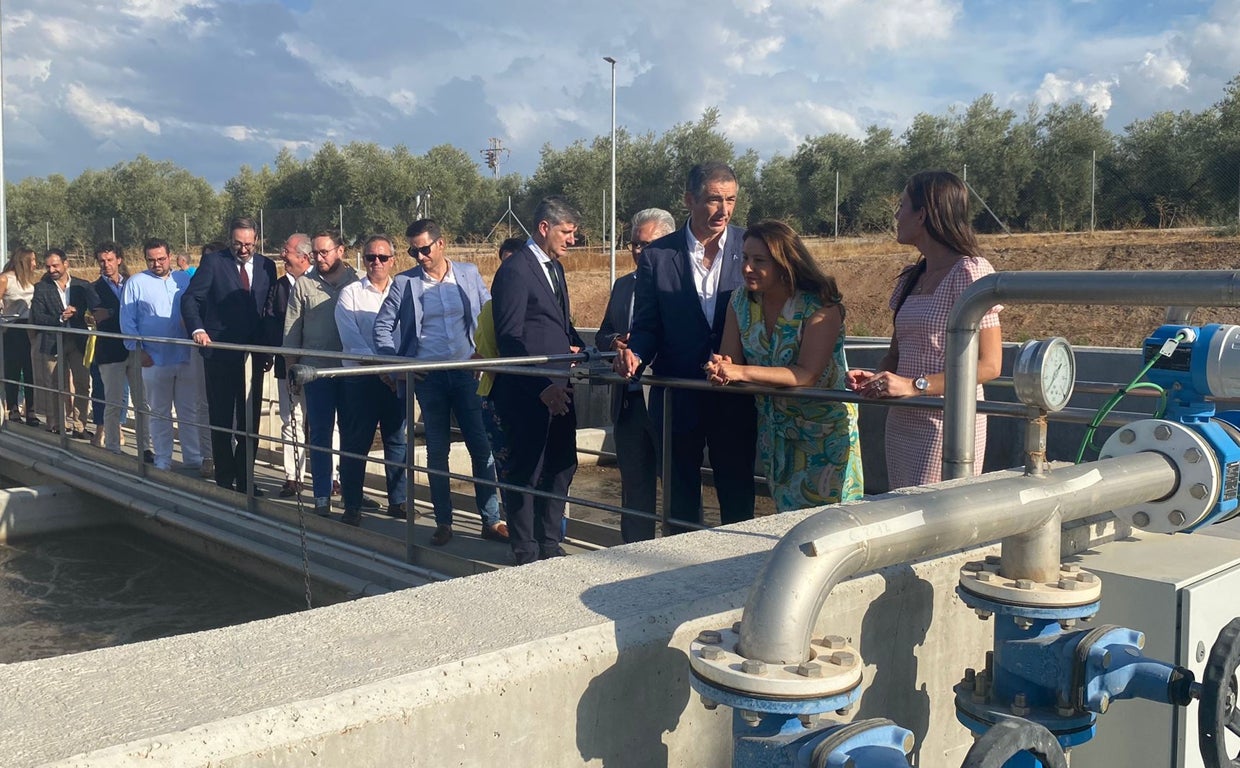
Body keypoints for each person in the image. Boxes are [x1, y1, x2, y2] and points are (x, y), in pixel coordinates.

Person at [614, 162, 758, 533]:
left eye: (731, 200)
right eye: (713, 200)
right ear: (689, 200)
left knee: (738, 492)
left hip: (735, 395)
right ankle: (681, 581)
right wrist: (635, 355)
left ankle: (740, 574)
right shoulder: (658, 256)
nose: (723, 210)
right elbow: (646, 326)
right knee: (680, 499)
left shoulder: (752, 247)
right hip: (677, 395)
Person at [846, 170, 1003, 489]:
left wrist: (914, 385)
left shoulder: (971, 272)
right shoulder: (911, 277)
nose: (896, 215)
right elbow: (896, 353)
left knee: (932, 516)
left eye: (902, 206)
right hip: (903, 419)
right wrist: (875, 379)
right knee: (903, 510)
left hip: (947, 421)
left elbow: (990, 365)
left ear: (923, 215)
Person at [705, 220, 864, 512]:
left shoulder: (820, 306)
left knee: (827, 526)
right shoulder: (740, 302)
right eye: (745, 258)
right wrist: (721, 368)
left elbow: (806, 373)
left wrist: (740, 372)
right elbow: (731, 360)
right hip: (775, 433)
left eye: (759, 261)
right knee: (786, 524)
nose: (747, 268)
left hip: (823, 436)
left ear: (785, 263)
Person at [373, 219, 506, 545]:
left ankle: (491, 521)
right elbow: (381, 328)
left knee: (481, 446)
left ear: (441, 244)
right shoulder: (404, 283)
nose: (419, 256)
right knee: (436, 451)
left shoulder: (469, 274)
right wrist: (401, 365)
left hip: (466, 373)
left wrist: (484, 354)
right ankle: (444, 523)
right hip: (428, 378)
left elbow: (489, 314)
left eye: (424, 249)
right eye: (413, 251)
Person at [490, 198, 583, 564]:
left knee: (563, 463)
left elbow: (558, 324)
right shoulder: (515, 271)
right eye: (566, 232)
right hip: (530, 393)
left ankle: (549, 541)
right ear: (544, 228)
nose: (572, 240)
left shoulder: (554, 269)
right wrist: (541, 387)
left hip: (562, 384)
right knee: (527, 470)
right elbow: (509, 339)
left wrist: (585, 346)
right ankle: (526, 550)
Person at [595, 208, 676, 542]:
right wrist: (617, 341)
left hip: (665, 401)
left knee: (676, 488)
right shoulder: (623, 285)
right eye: (633, 245)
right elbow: (601, 335)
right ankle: (632, 557)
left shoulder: (678, 286)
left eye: (645, 245)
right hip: (627, 406)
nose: (638, 252)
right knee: (634, 489)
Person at [181, 217, 277, 495]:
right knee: (222, 417)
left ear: (256, 241)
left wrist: (268, 347)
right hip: (220, 352)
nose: (243, 249)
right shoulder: (214, 263)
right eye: (238, 244)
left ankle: (246, 479)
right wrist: (197, 328)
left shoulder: (266, 266)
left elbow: (268, 309)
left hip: (253, 356)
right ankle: (225, 479)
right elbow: (190, 299)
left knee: (250, 421)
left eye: (248, 244)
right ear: (230, 240)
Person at [334, 234, 408, 525]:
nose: (376, 262)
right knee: (356, 442)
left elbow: (407, 334)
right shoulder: (350, 293)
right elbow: (351, 339)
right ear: (362, 259)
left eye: (383, 257)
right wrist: (382, 368)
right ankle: (352, 505)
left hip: (396, 379)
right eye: (370, 257)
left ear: (393, 260)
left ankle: (398, 501)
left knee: (396, 440)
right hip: (361, 378)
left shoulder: (403, 291)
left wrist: (395, 371)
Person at [283, 230, 357, 518]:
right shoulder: (303, 285)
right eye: (315, 252)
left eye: (325, 252)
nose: (319, 257)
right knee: (320, 434)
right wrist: (293, 372)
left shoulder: (357, 281)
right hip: (315, 371)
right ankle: (322, 495)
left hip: (351, 371)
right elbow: (291, 332)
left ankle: (352, 494)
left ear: (340, 250)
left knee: (353, 435)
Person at [121, 240, 203, 471]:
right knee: (159, 412)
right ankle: (163, 458)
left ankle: (193, 456)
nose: (156, 263)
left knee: (188, 409)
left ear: (170, 256)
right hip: (154, 358)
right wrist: (139, 351)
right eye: (151, 260)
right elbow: (127, 320)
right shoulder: (136, 283)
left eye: (161, 258)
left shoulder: (184, 279)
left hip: (186, 355)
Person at [472, 236, 527, 480]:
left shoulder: (546, 304)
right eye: (506, 264)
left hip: (534, 392)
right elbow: (484, 349)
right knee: (509, 469)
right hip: (498, 393)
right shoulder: (489, 309)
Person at [30, 249, 98, 439]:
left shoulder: (82, 286)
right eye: (48, 266)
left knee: (83, 383)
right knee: (57, 384)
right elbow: (38, 317)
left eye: (55, 265)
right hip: (53, 341)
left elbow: (94, 310)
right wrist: (60, 318)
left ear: (66, 264)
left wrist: (79, 312)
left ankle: (80, 425)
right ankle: (58, 424)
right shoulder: (41, 288)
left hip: (77, 340)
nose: (52, 269)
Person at [91, 242, 145, 454]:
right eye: (102, 261)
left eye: (110, 260)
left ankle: (145, 447)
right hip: (110, 352)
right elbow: (100, 317)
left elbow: (140, 311)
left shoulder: (133, 283)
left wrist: (113, 312)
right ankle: (113, 448)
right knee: (113, 403)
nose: (106, 264)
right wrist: (124, 313)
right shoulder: (93, 288)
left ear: (119, 260)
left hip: (134, 349)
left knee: (143, 403)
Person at [271, 233, 313, 497]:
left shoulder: (321, 283)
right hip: (287, 366)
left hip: (320, 366)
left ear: (303, 256)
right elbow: (271, 323)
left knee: (328, 423)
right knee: (291, 420)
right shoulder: (279, 287)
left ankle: (331, 477)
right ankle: (293, 476)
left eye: (286, 250)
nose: (282, 255)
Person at [1, 247, 39, 425]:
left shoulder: (30, 281)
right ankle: (13, 407)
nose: (35, 264)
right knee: (13, 369)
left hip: (29, 326)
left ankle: (31, 409)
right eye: (32, 260)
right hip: (12, 327)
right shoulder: (5, 279)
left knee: (30, 368)